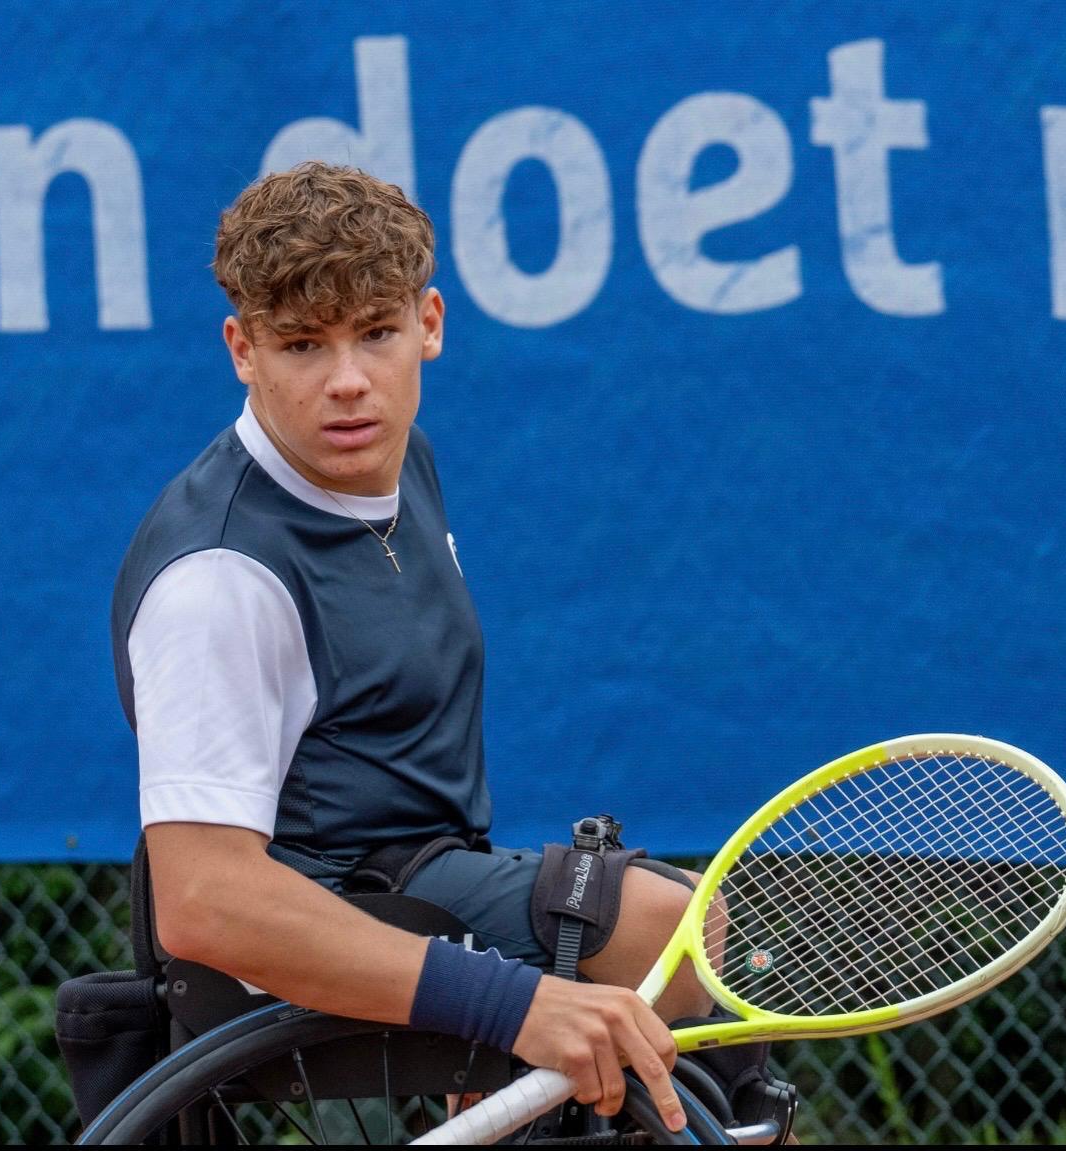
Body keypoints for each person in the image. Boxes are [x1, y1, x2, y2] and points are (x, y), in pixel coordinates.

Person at [111, 162, 723, 1135]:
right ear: (244, 350)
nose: (347, 379)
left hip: (418, 877)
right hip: (299, 945)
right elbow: (206, 901)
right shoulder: (219, 578)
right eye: (304, 344)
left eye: (377, 333)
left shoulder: (393, 459)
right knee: (656, 929)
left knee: (684, 934)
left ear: (429, 324)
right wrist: (507, 1001)